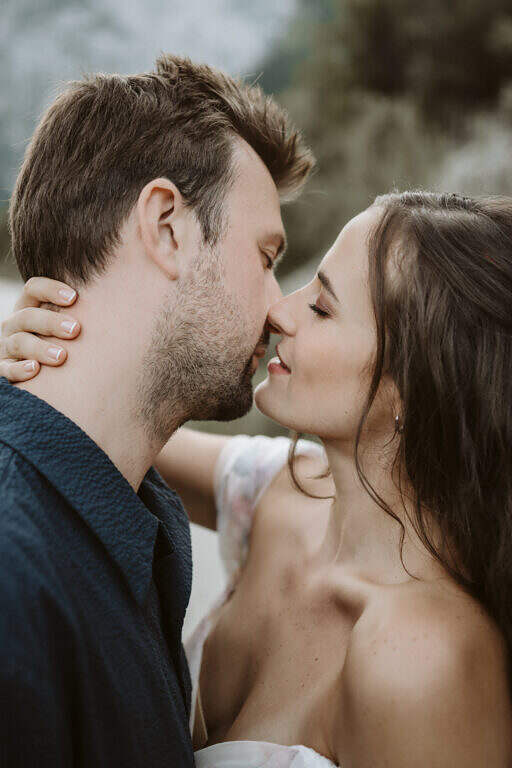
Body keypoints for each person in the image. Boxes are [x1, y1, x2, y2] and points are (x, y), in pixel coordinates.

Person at [3, 191, 512, 767]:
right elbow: (109, 428)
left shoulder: (424, 662)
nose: (280, 312)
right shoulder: (279, 489)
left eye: (322, 308)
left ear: (413, 391)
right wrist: (46, 350)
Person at [0, 53, 313, 766]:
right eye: (266, 257)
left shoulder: (132, 510)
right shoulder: (15, 580)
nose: (280, 308)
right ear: (167, 223)